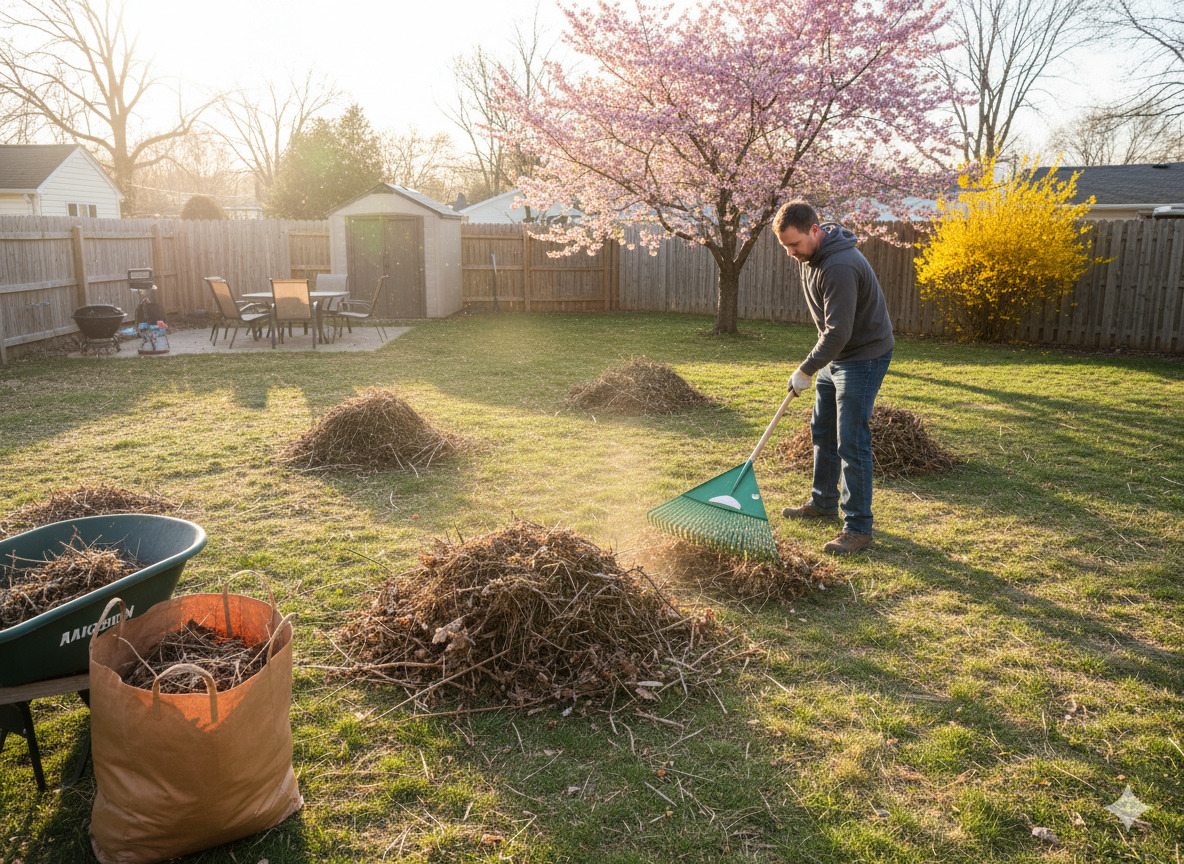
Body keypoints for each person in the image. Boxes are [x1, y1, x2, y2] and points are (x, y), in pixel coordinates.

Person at [773, 200, 894, 554]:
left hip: (863, 355)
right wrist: (818, 365)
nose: (791, 253)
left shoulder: (839, 265)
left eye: (794, 244)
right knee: (822, 430)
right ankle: (823, 502)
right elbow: (831, 328)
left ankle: (858, 528)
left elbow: (838, 330)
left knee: (851, 441)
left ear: (815, 231)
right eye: (785, 247)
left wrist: (806, 367)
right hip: (837, 353)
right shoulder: (811, 257)